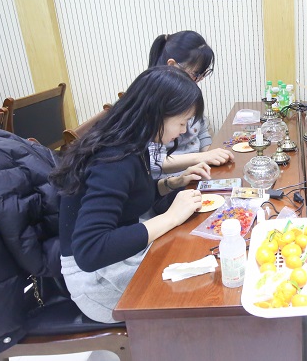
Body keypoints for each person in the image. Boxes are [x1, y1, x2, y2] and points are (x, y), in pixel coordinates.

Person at [50, 66, 212, 323]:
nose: (183, 130)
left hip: (118, 257)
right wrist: (171, 217)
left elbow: (131, 197)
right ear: (157, 113)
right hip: (97, 281)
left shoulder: (132, 141)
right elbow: (90, 250)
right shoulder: (113, 158)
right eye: (181, 122)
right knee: (205, 282)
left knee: (200, 252)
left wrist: (173, 183)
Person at [147, 31, 234, 179]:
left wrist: (213, 156)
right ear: (172, 65)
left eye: (203, 74)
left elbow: (202, 132)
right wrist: (202, 157)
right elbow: (153, 161)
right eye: (196, 73)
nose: (199, 80)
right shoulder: (152, 100)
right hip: (168, 182)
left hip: (194, 172)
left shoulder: (188, 92)